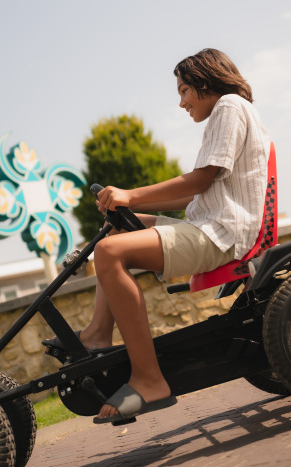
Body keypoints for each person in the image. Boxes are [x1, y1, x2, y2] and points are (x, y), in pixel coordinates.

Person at [49, 48, 271, 424]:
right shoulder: (227, 114)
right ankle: (99, 334)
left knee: (111, 253)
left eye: (185, 89)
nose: (181, 101)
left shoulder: (229, 107)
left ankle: (149, 379)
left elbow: (200, 180)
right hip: (209, 225)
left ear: (205, 81)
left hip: (221, 233)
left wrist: (131, 195)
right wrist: (127, 207)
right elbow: (197, 192)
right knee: (115, 231)